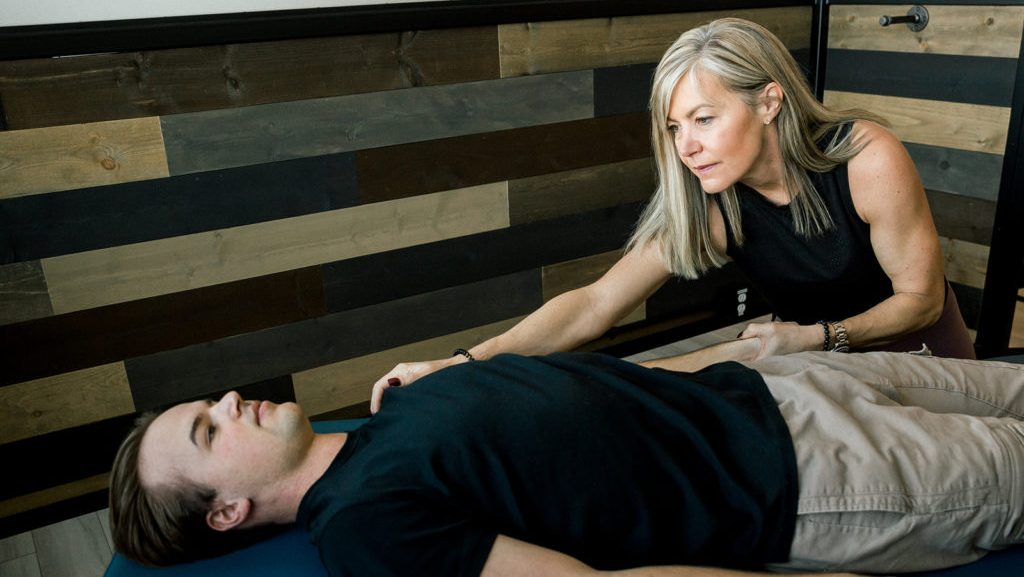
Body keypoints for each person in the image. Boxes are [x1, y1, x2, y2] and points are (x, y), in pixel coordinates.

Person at [370, 18, 974, 412]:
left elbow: (919, 300)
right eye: (675, 127)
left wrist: (817, 336)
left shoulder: (866, 157)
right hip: (816, 366)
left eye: (704, 119)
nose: (685, 147)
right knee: (657, 381)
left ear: (768, 102)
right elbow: (595, 305)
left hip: (925, 363)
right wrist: (462, 364)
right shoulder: (716, 202)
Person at [110, 342, 1024, 575]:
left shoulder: (388, 410)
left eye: (208, 403)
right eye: (208, 431)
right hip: (813, 480)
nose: (230, 402)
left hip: (776, 384)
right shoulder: (365, 528)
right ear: (225, 510)